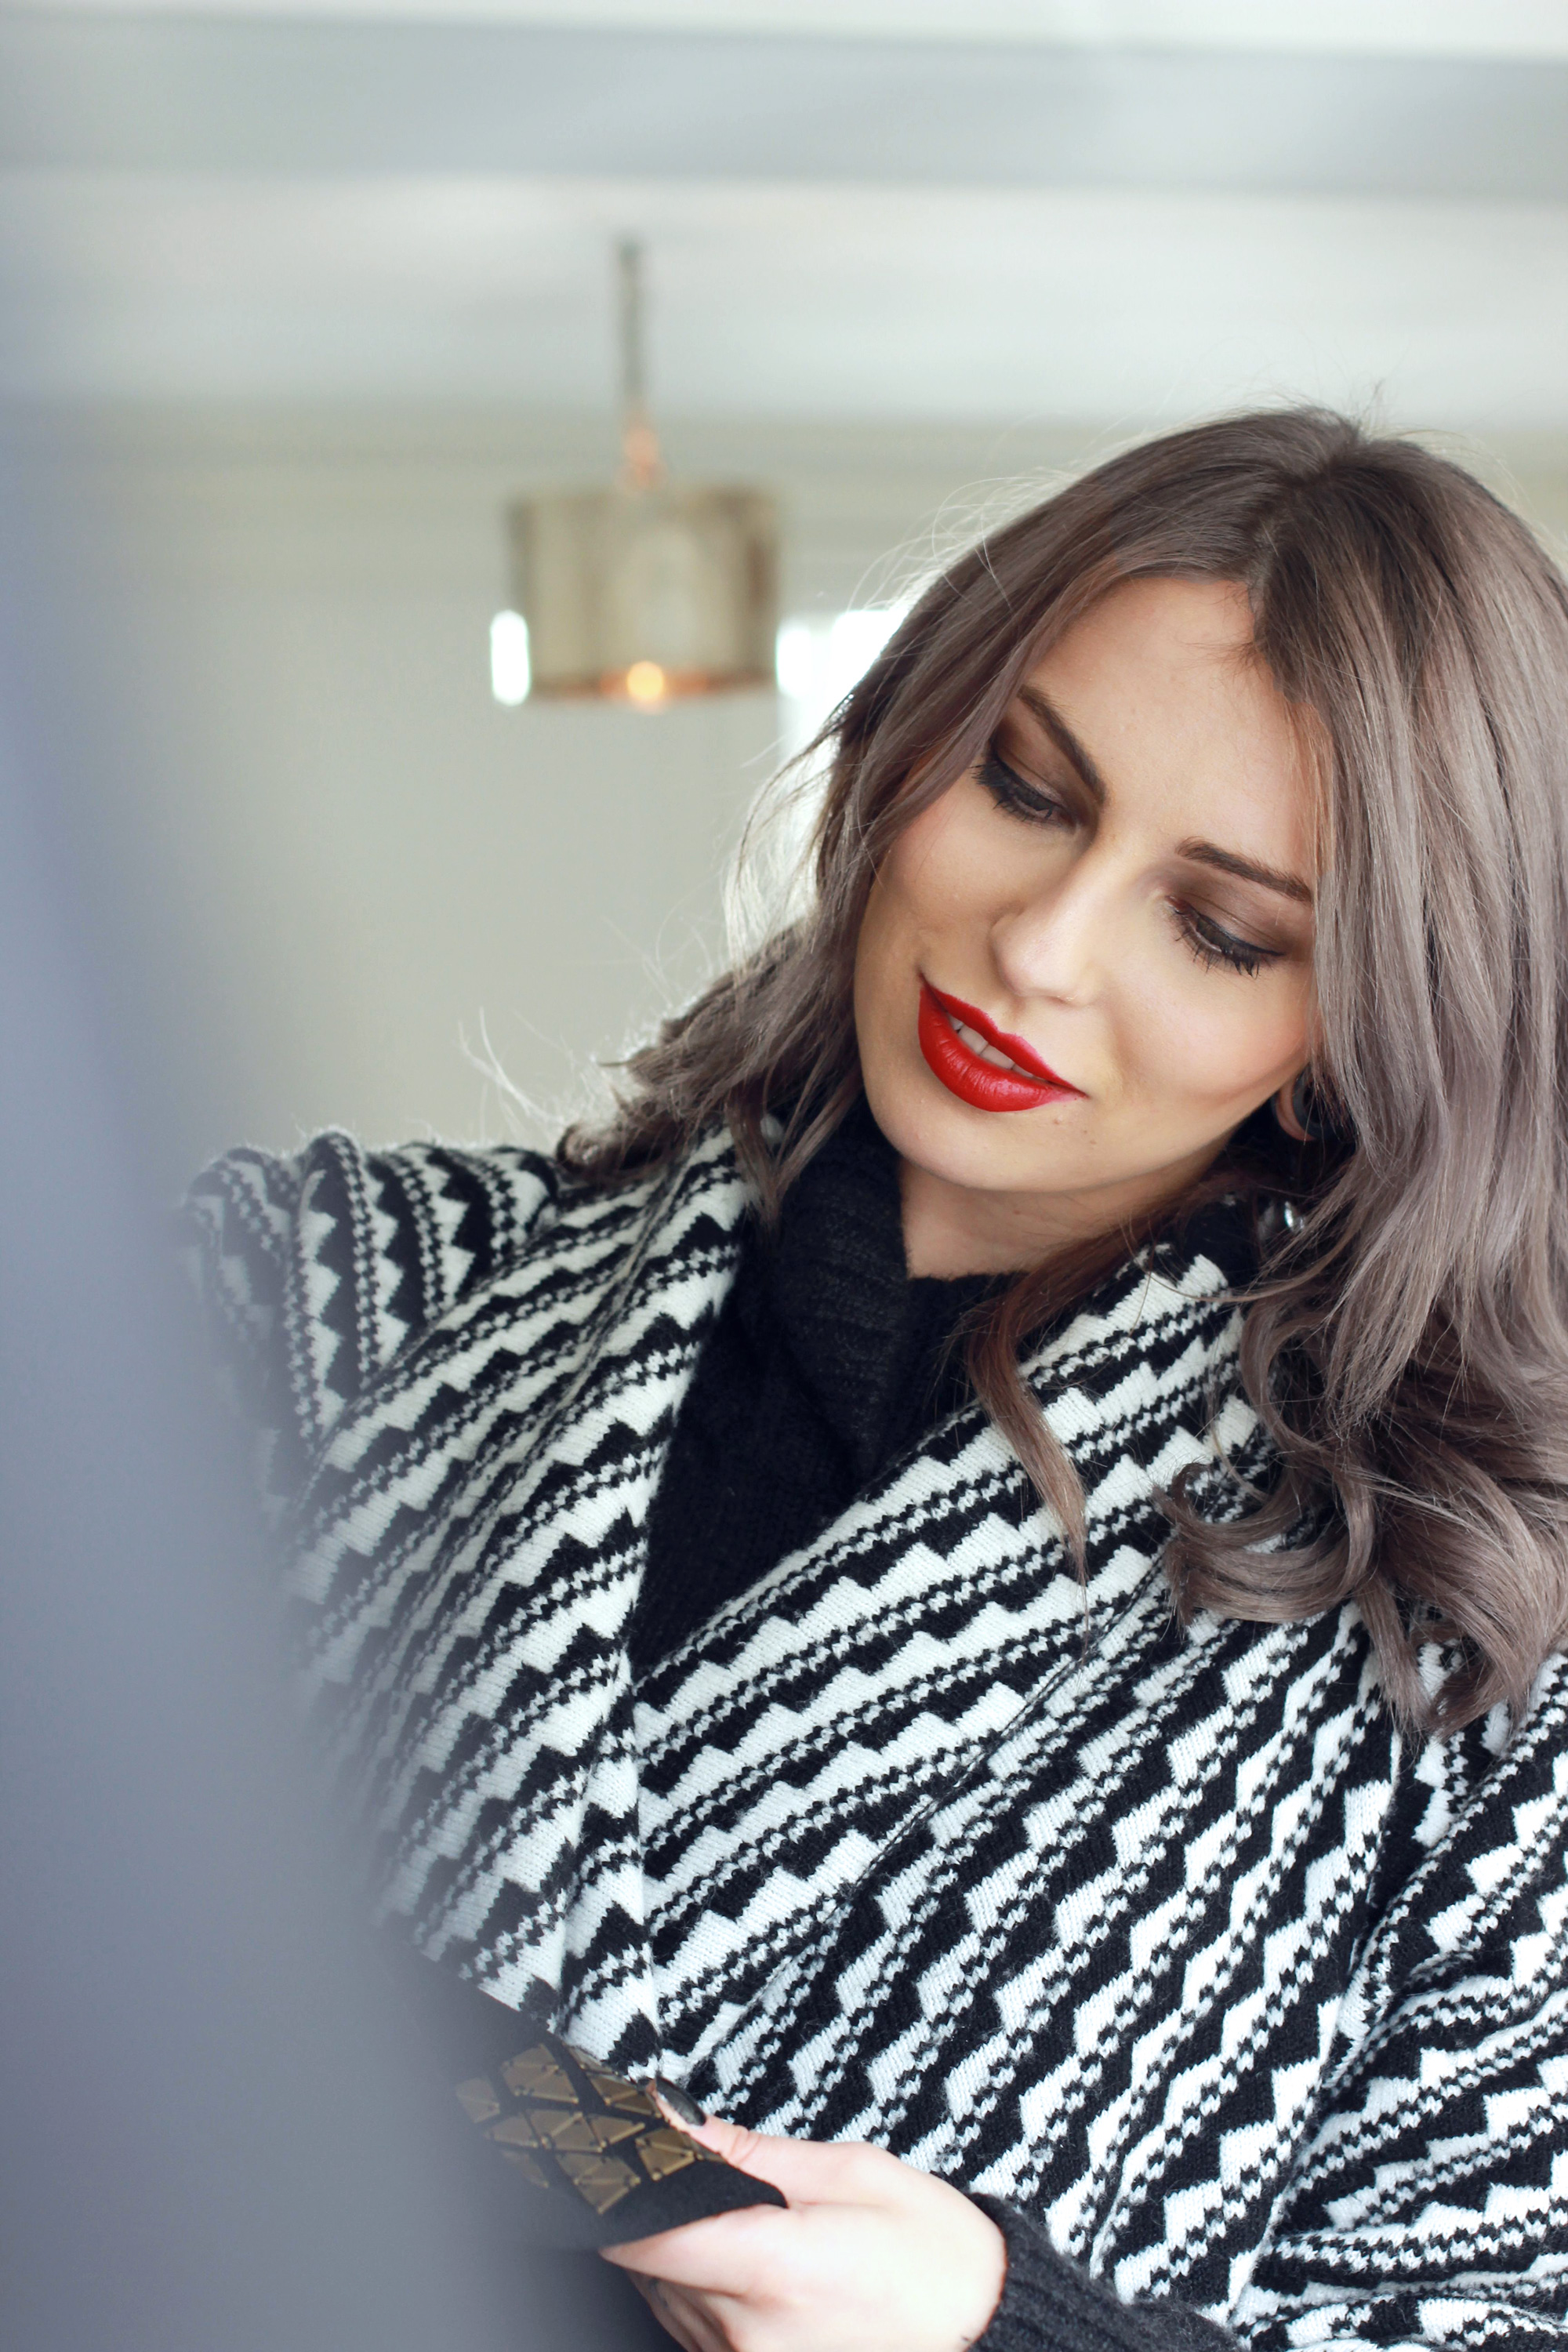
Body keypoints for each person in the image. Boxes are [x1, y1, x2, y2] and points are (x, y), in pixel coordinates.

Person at [185, 408, 1568, 2352]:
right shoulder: (309, 1296)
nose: (1039, 947)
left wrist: (1006, 2328)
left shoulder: (1477, 1645)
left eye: (1218, 927)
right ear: (908, 739)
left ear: (1363, 1026)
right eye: (1024, 787)